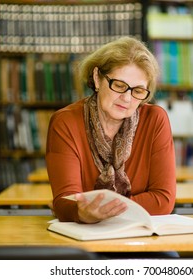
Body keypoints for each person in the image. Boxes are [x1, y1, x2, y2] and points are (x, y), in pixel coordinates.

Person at [46, 36, 176, 224]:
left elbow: (163, 201)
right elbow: (66, 203)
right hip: (86, 236)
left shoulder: (155, 120)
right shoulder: (65, 123)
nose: (127, 98)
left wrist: (98, 211)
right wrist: (80, 211)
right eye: (119, 85)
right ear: (97, 78)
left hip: (143, 234)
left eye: (138, 91)